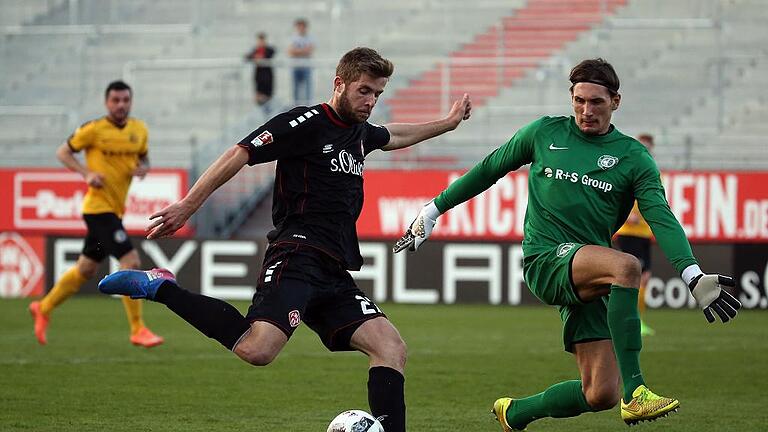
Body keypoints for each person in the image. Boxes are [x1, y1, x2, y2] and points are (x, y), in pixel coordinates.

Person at [98, 47, 472, 432]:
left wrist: (447, 123)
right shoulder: (305, 123)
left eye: (377, 94)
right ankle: (161, 287)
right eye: (364, 91)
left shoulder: (360, 132)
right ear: (339, 84)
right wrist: (189, 205)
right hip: (296, 253)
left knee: (390, 348)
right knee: (257, 349)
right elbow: (240, 152)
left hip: (333, 269)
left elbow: (394, 135)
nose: (371, 101)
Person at [394, 58, 741, 430]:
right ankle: (637, 392)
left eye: (596, 102)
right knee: (627, 266)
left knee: (600, 392)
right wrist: (433, 209)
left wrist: (692, 274)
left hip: (589, 271)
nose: (585, 111)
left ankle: (516, 412)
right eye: (578, 101)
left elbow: (661, 216)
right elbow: (490, 168)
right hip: (546, 258)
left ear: (616, 102)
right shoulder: (544, 133)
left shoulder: (634, 158)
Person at [29, 80, 163, 348]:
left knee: (86, 268)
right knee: (131, 261)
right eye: (115, 100)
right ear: (106, 102)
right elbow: (63, 152)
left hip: (115, 210)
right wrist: (86, 173)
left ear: (131, 102)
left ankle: (43, 307)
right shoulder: (94, 130)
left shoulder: (139, 130)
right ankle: (137, 329)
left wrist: (144, 168)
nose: (121, 105)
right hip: (97, 209)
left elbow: (144, 159)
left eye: (125, 100)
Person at [614, 133, 656, 336]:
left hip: (644, 233)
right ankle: (628, 320)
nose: (645, 149)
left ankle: (638, 320)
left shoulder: (651, 169)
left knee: (645, 277)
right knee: (631, 276)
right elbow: (618, 193)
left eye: (648, 146)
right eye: (643, 145)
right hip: (628, 232)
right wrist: (628, 214)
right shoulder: (628, 167)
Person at [244, 32, 276, 109]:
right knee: (258, 96)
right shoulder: (255, 50)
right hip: (259, 76)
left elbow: (270, 53)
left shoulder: (269, 49)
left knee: (268, 96)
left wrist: (259, 57)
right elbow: (247, 57)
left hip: (267, 77)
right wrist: (256, 57)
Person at [288, 18, 315, 105]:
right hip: (296, 67)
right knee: (295, 89)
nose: (300, 29)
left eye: (302, 27)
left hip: (306, 67)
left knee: (308, 90)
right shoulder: (293, 38)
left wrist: (297, 51)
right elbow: (290, 52)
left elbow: (309, 51)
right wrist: (302, 51)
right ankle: (295, 107)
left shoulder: (310, 38)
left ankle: (308, 107)